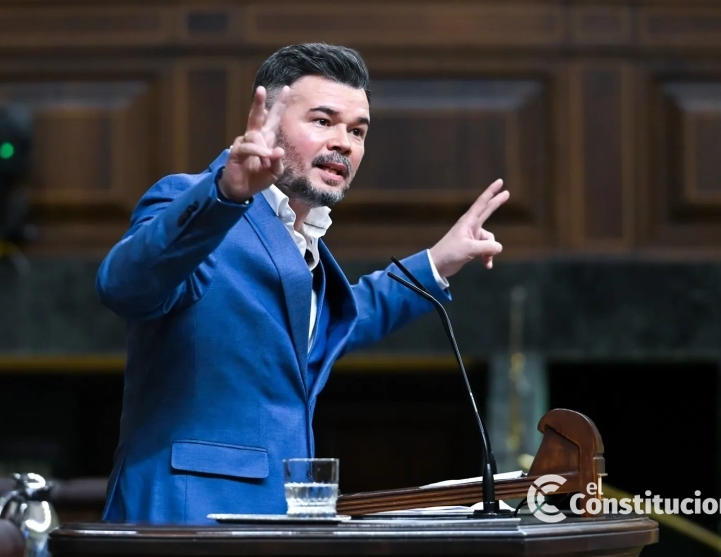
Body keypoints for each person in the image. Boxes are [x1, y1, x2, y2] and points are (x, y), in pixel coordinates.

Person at [95, 43, 509, 525]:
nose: (344, 143)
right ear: (267, 121)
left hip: (282, 520)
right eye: (323, 121)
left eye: (357, 131)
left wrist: (436, 263)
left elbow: (325, 326)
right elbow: (125, 284)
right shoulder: (192, 200)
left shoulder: (300, 237)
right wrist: (223, 196)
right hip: (183, 517)